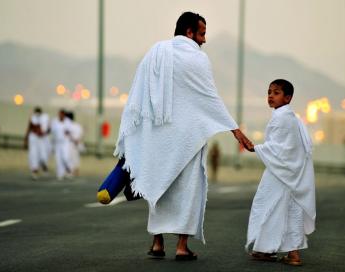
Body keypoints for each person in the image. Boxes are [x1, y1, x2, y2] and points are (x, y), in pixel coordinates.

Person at [114, 11, 251, 260]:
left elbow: (139, 95)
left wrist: (138, 134)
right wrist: (235, 129)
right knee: (188, 190)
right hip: (187, 137)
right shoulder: (197, 59)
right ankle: (181, 246)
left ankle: (157, 244)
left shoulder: (155, 53)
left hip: (157, 136)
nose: (204, 40)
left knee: (158, 186)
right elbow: (209, 98)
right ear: (189, 32)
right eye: (202, 33)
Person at [245, 79, 316, 266]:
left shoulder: (282, 117)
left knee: (268, 206)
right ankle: (282, 252)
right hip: (290, 173)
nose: (270, 96)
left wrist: (256, 149)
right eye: (269, 92)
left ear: (288, 97)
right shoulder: (291, 117)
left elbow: (280, 149)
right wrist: (260, 149)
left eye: (276, 92)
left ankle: (271, 250)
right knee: (287, 210)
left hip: (280, 172)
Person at [25, 107, 50, 180]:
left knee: (43, 157)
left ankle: (44, 168)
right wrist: (26, 139)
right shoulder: (32, 118)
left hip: (42, 140)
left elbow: (48, 129)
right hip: (34, 139)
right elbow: (29, 128)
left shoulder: (45, 118)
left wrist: (43, 133)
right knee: (33, 156)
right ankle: (34, 172)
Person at [50, 109, 73, 180]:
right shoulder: (55, 121)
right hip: (57, 143)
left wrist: (67, 132)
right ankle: (60, 174)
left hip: (65, 142)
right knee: (58, 158)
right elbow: (52, 131)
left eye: (61, 114)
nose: (60, 116)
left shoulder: (68, 121)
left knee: (65, 157)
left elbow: (69, 131)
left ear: (64, 115)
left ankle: (69, 169)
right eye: (59, 114)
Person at [65, 111, 84, 176]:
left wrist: (75, 140)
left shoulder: (69, 126)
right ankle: (75, 170)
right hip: (75, 143)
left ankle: (72, 171)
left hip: (71, 143)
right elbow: (81, 134)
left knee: (71, 157)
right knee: (75, 157)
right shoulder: (77, 126)